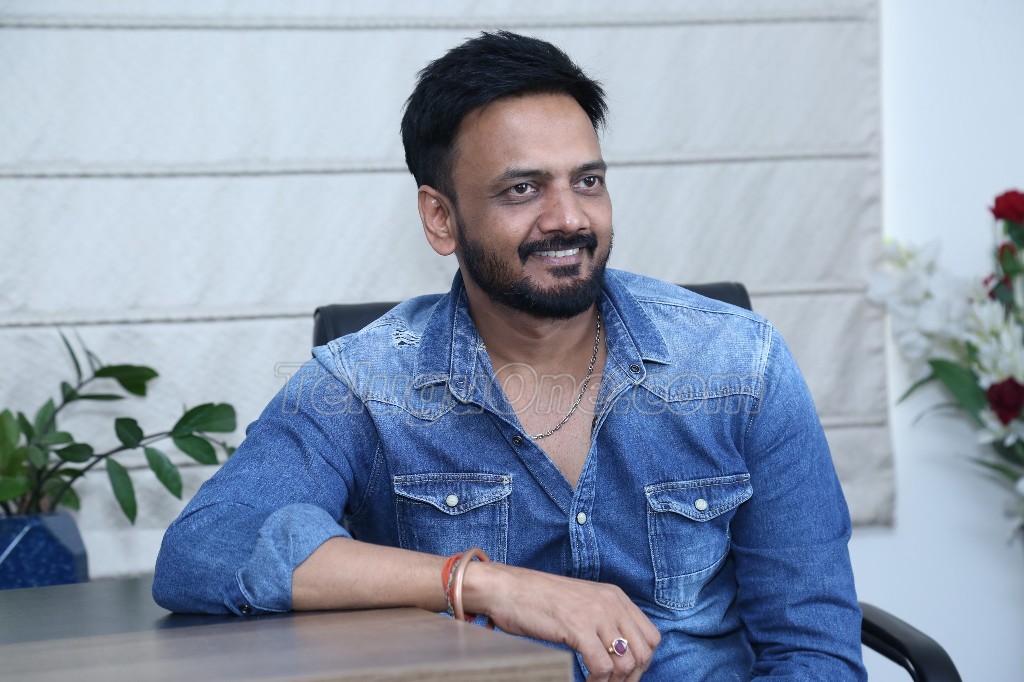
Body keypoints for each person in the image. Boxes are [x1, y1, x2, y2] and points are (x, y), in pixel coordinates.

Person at [154, 31, 867, 681]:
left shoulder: (739, 362)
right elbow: (206, 549)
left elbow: (814, 650)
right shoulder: (365, 385)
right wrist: (484, 583)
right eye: (523, 189)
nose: (569, 218)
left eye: (587, 181)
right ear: (441, 218)